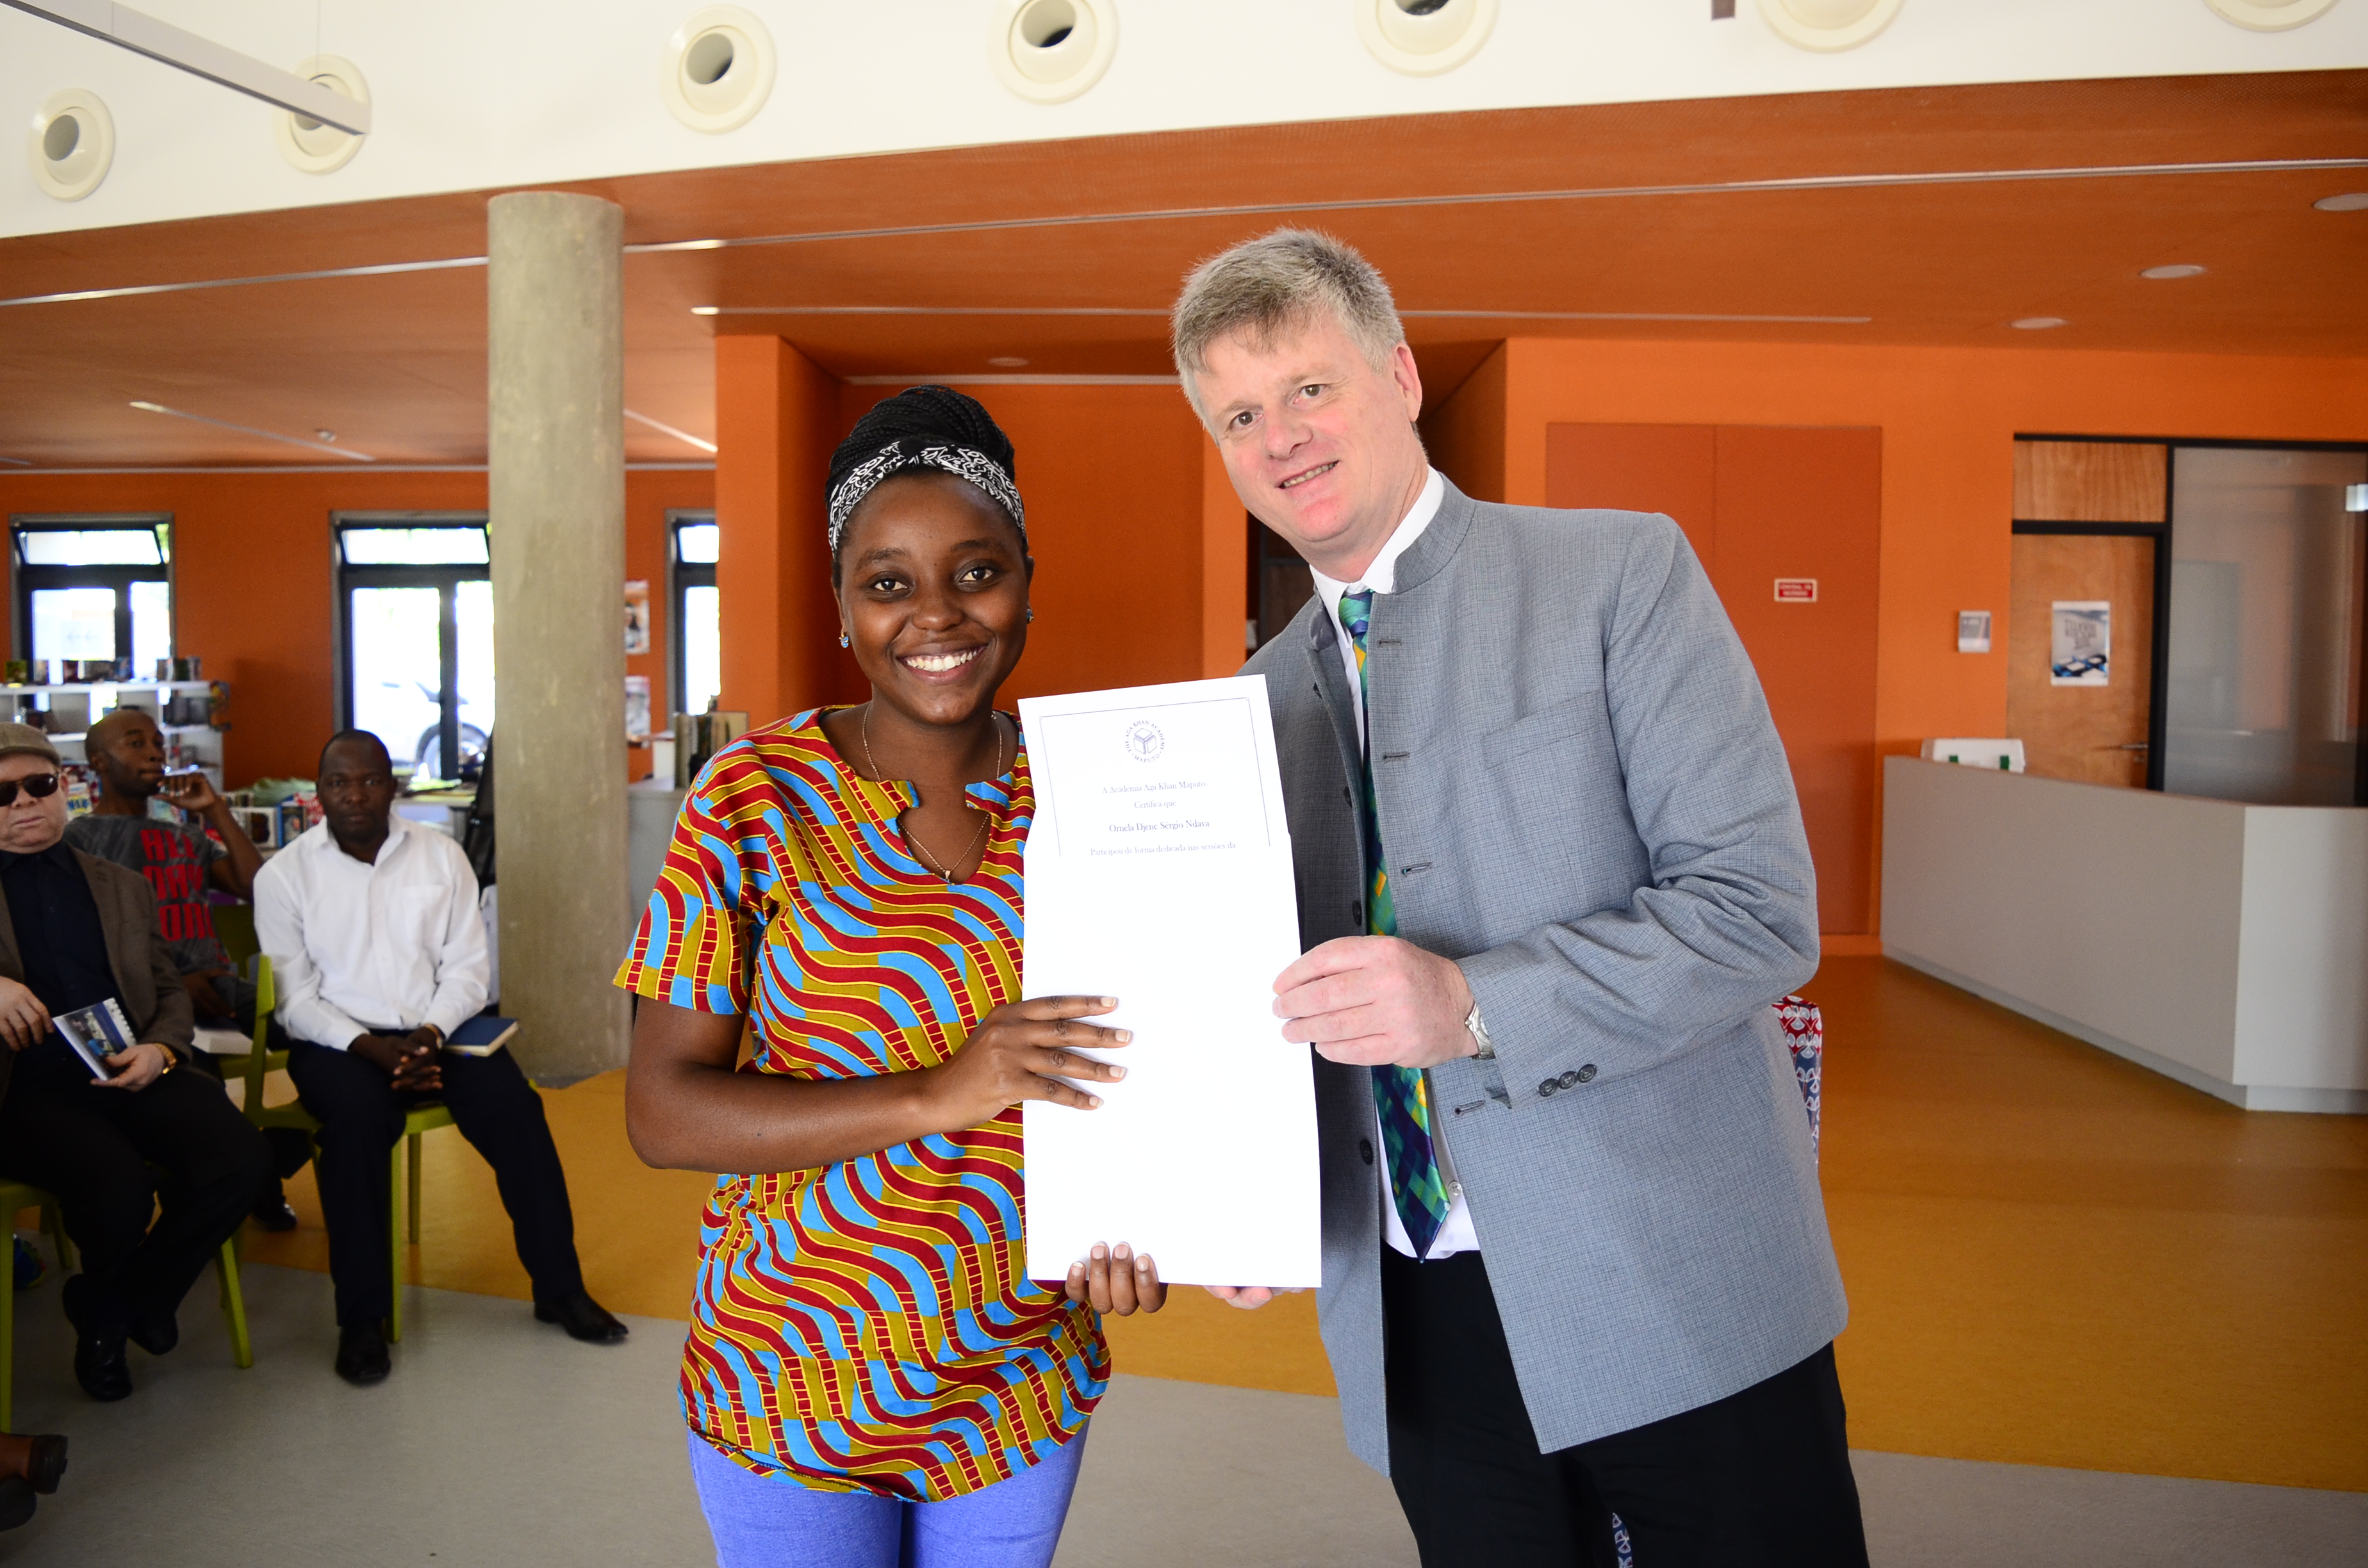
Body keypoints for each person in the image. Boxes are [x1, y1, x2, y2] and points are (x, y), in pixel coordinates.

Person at [1174, 230, 1867, 1566]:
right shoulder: (1252, 702)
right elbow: (1283, 1011)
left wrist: (1475, 1004)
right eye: (1239, 415)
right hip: (1416, 1322)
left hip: (1674, 1279)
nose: (1281, 438)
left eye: (1310, 388)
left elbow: (1757, 909)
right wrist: (1247, 1192)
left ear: (1401, 375)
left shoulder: (1618, 575)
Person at [622, 386, 1163, 1568]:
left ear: (1026, 576)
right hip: (791, 1372)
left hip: (1018, 1375)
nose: (937, 615)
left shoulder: (1101, 796)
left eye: (976, 571)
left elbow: (1147, 1054)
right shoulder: (753, 799)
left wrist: (1158, 1213)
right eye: (888, 583)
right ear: (841, 608)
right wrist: (939, 1091)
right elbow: (663, 1111)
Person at [251, 730, 625, 1385]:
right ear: (319, 794)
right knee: (358, 1129)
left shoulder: (440, 856)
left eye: (368, 780)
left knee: (517, 1110)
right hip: (339, 1044)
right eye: (338, 783)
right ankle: (362, 1321)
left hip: (439, 1033)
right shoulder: (283, 877)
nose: (354, 794)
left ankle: (559, 1289)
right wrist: (369, 1047)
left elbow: (468, 971)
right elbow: (295, 1000)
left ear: (391, 786)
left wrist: (427, 1035)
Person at [0, 723, 270, 1403]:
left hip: (129, 1061)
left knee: (241, 1158)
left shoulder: (119, 884)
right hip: (26, 1087)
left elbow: (170, 987)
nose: (24, 804)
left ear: (66, 787)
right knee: (119, 1190)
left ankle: (113, 1308)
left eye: (39, 786)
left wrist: (162, 1048)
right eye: (3, 794)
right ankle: (117, 1323)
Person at [68, 706, 309, 1230]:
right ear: (98, 763)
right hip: (150, 1006)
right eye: (136, 743)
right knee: (204, 1098)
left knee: (328, 1047)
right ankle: (239, 1189)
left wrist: (215, 809)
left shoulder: (183, 835)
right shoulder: (79, 840)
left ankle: (270, 1164)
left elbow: (258, 890)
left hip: (219, 985)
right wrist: (177, 984)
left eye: (158, 742)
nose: (155, 752)